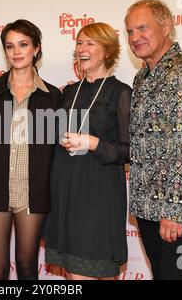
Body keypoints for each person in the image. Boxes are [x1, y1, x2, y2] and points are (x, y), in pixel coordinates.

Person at [125, 0, 182, 280]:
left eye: (142, 28)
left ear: (166, 27)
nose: (135, 37)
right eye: (129, 31)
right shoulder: (142, 76)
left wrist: (174, 211)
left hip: (177, 210)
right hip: (147, 204)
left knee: (176, 276)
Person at [0, 19, 62, 280]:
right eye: (10, 46)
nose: (16, 52)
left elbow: (59, 151)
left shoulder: (53, 97)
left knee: (27, 266)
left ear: (36, 49)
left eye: (23, 44)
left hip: (33, 194)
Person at [44, 22, 132, 280]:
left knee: (91, 270)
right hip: (66, 192)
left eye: (89, 43)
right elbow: (51, 136)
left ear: (107, 51)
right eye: (79, 43)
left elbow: (130, 151)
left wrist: (94, 143)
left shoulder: (122, 93)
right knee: (72, 274)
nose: (81, 49)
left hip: (98, 195)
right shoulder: (69, 92)